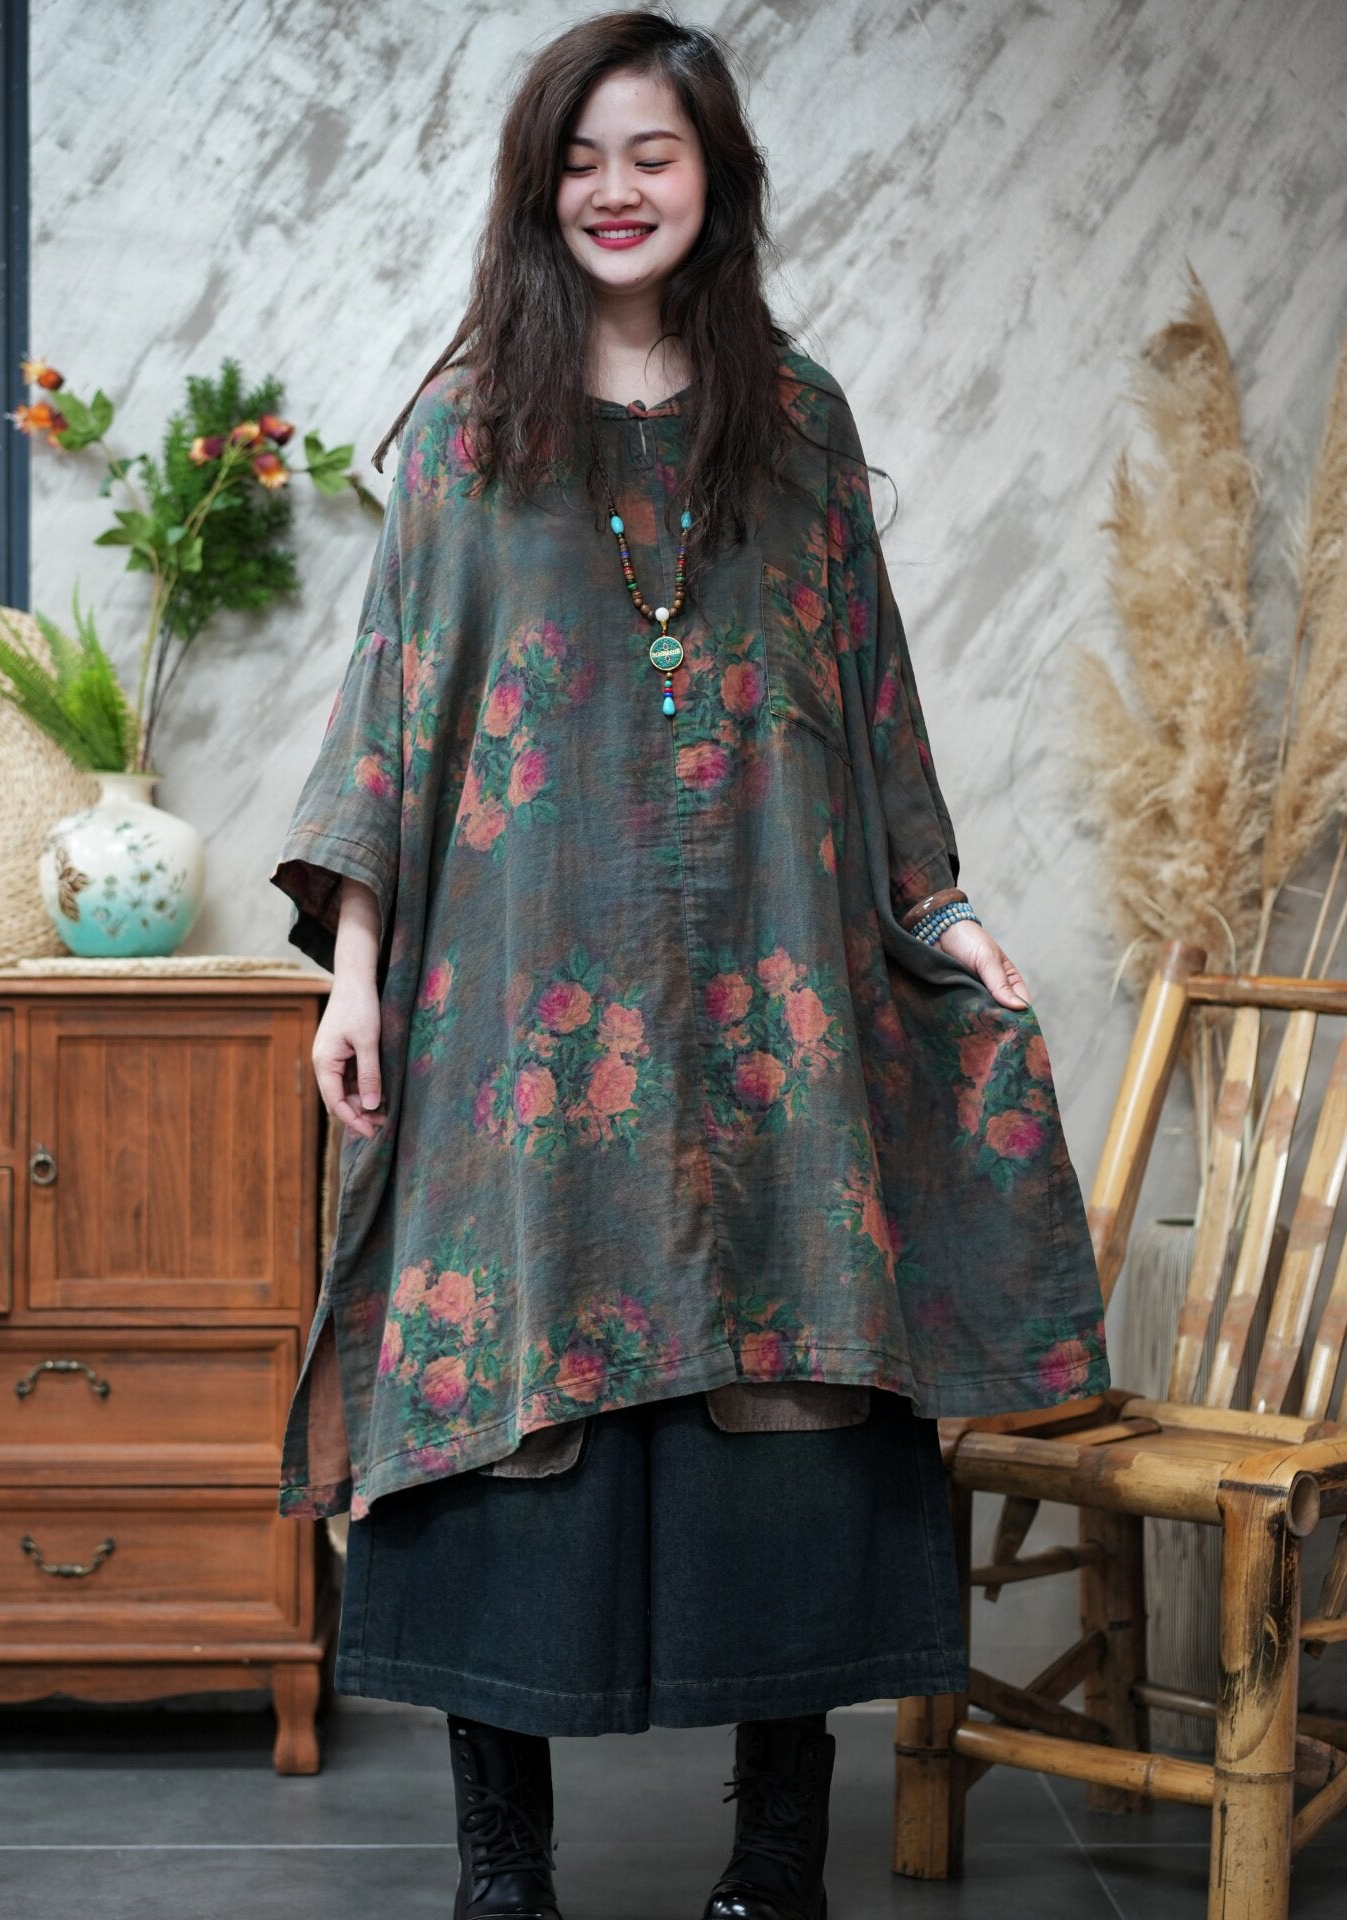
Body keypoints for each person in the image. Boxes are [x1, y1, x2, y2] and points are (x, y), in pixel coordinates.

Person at [268, 13, 1110, 1919]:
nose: (616, 191)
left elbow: (871, 700)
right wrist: (355, 975)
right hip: (516, 1021)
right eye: (581, 159)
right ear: (536, 189)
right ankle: (503, 1867)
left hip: (774, 1010)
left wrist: (944, 915)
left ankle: (776, 1858)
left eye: (650, 152)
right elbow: (397, 716)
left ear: (714, 175)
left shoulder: (798, 423)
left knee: (789, 1414)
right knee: (495, 1423)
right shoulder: (470, 430)